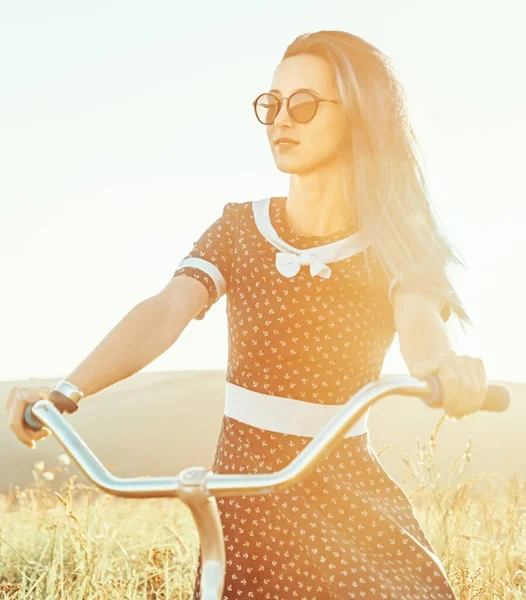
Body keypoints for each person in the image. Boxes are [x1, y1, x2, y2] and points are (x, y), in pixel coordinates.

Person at [4, 30, 488, 599]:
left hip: (346, 497)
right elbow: (166, 310)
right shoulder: (239, 228)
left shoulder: (395, 242)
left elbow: (421, 329)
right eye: (272, 104)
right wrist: (64, 392)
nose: (282, 119)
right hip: (245, 496)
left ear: (358, 115)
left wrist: (445, 370)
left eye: (304, 104)